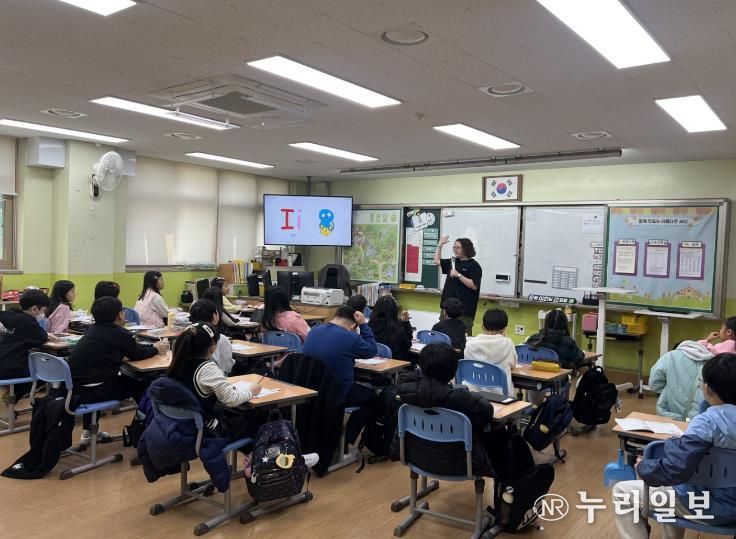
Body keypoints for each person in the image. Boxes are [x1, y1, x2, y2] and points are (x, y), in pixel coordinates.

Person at [614, 353, 736, 538]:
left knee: (622, 492)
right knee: (672, 490)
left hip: (704, 505)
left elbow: (676, 470)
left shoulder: (707, 423)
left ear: (706, 387)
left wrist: (644, 467)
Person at [68, 297, 168, 445]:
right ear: (119, 315)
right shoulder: (120, 333)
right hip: (97, 390)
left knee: (126, 379)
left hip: (76, 390)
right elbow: (136, 354)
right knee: (145, 384)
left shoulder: (92, 330)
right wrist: (156, 349)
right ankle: (144, 429)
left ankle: (89, 431)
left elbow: (128, 350)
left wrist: (149, 348)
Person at [395, 343, 493, 477]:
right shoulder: (461, 399)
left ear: (421, 366)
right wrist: (473, 395)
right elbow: (486, 412)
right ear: (453, 371)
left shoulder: (406, 393)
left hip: (417, 457)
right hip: (460, 463)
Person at [302, 306, 378, 446]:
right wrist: (363, 325)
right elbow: (372, 350)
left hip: (311, 389)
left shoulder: (314, 330)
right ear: (353, 325)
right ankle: (346, 441)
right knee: (372, 399)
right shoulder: (350, 337)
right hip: (337, 392)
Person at [0, 289, 52, 401]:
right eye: (43, 311)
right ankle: (15, 395)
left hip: (4, 363)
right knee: (47, 370)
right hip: (10, 368)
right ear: (34, 309)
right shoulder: (28, 321)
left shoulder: (11, 315)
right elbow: (42, 337)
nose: (43, 314)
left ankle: (13, 395)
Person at [649, 340, 714, 421]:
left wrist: (668, 390)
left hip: (669, 413)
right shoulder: (713, 362)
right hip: (699, 419)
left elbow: (654, 383)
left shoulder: (670, 356)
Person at [433, 236, 482, 336]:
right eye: (454, 247)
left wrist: (458, 275)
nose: (455, 249)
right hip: (447, 309)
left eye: (458, 247)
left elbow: (474, 286)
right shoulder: (453, 261)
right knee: (442, 336)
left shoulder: (474, 266)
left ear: (466, 249)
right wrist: (440, 244)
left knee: (462, 337)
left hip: (464, 311)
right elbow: (436, 261)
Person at [463, 308, 517, 394]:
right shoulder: (508, 344)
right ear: (504, 329)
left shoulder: (470, 344)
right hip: (501, 396)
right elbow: (513, 365)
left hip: (473, 393)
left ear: (482, 326)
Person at [189, 298, 235, 374]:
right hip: (216, 378)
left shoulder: (186, 335)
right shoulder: (220, 339)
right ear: (214, 316)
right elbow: (227, 368)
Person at [368, 296, 413, 360]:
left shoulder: (369, 326)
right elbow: (407, 345)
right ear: (394, 311)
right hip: (395, 363)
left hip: (373, 361)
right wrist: (406, 323)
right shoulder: (396, 328)